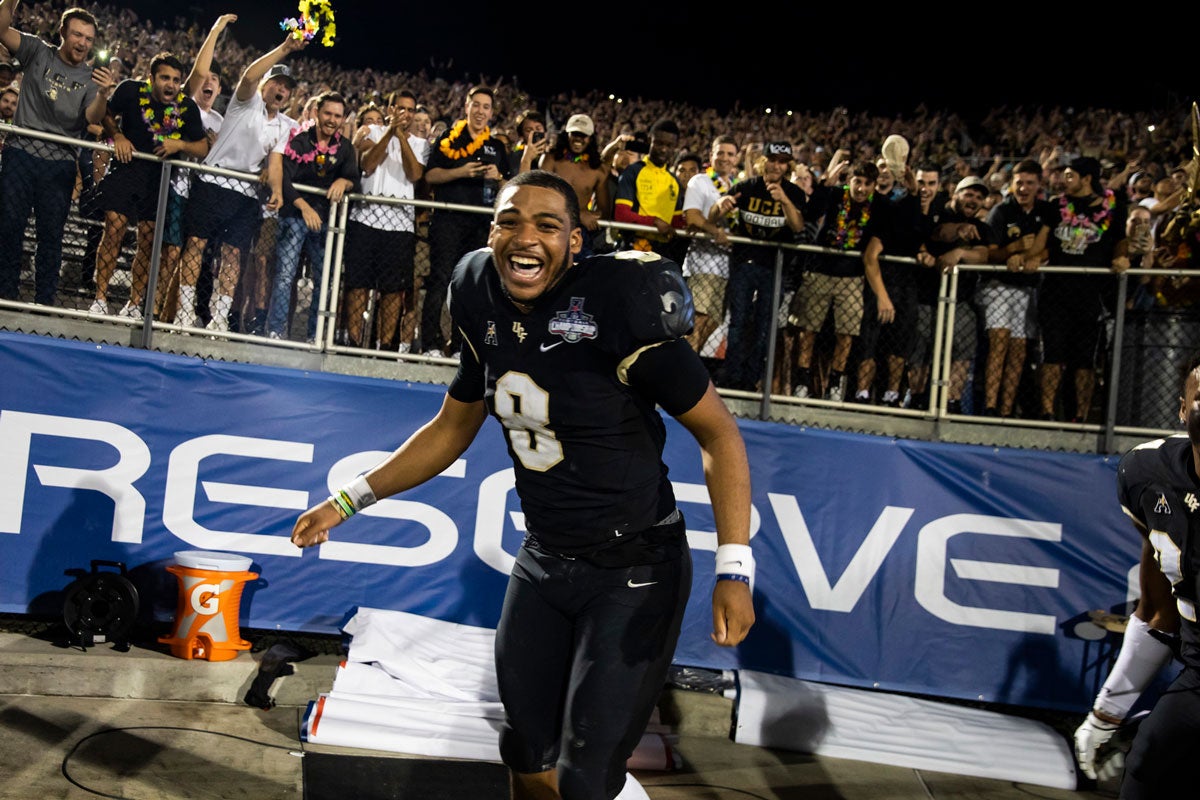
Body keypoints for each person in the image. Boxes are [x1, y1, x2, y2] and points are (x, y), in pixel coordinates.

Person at [289, 169, 755, 800]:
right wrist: (349, 499)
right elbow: (451, 428)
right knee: (527, 755)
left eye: (546, 224)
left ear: (575, 242)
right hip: (543, 560)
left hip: (635, 568)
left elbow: (721, 436)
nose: (524, 236)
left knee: (587, 781)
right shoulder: (479, 293)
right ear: (492, 229)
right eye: (509, 220)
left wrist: (734, 569)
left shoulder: (620, 307)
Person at [1073, 360, 1199, 798]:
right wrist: (1106, 714)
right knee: (1146, 766)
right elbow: (1160, 612)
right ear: (1183, 411)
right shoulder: (1148, 475)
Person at [173, 32, 304, 331]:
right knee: (195, 245)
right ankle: (184, 312)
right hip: (212, 180)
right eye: (276, 83)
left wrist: (276, 190)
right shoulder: (246, 101)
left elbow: (275, 161)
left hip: (244, 194)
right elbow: (247, 76)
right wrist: (284, 48)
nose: (281, 90)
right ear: (264, 85)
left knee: (233, 255)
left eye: (286, 87)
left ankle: (218, 319)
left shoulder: (284, 125)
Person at [0, 3, 114, 305]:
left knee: (51, 237)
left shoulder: (92, 77)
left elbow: (92, 117)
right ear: (62, 32)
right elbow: (1, 30)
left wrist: (103, 94)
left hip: (61, 164)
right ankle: (5, 298)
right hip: (21, 153)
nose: (82, 43)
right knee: (9, 227)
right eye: (77, 35)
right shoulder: (38, 50)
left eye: (89, 39)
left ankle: (44, 305)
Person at [87, 52, 208, 320]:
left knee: (148, 242)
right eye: (165, 78)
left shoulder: (187, 107)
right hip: (125, 169)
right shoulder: (130, 90)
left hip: (160, 180)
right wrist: (116, 134)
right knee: (114, 230)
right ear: (151, 78)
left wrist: (180, 145)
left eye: (176, 80)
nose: (171, 85)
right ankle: (100, 299)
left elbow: (202, 147)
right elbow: (106, 113)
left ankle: (133, 304)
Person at [155, 13, 236, 325]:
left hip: (202, 194)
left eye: (215, 81)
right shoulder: (185, 104)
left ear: (218, 91)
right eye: (206, 79)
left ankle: (172, 315)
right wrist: (216, 30)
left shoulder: (222, 121)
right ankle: (154, 309)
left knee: (191, 258)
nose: (209, 82)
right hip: (176, 186)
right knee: (172, 254)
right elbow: (200, 70)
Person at [421, 84, 512, 357]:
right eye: (476, 105)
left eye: (486, 107)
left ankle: (463, 347)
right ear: (466, 107)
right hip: (448, 220)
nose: (480, 111)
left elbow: (509, 187)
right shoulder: (449, 138)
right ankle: (430, 344)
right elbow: (430, 176)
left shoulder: (496, 146)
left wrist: (498, 178)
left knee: (472, 287)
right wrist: (461, 172)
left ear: (492, 112)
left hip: (480, 225)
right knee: (440, 280)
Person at [1038, 156, 1129, 422]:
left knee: (1085, 361)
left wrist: (1122, 258)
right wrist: (1030, 255)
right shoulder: (1056, 206)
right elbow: (1043, 244)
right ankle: (1046, 413)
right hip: (1055, 292)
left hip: (1092, 293)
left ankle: (1081, 416)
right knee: (1052, 354)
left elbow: (1121, 240)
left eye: (1069, 175)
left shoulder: (1114, 206)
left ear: (1086, 178)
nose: (1063, 180)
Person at [265, 90, 359, 342]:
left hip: (326, 221)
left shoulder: (346, 148)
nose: (332, 119)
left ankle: (314, 335)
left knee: (324, 279)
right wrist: (304, 207)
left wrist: (343, 180)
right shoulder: (299, 140)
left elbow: (354, 178)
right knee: (285, 275)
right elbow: (284, 177)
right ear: (316, 113)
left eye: (338, 116)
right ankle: (275, 331)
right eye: (328, 113)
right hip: (295, 216)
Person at [790, 160, 885, 403]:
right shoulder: (833, 194)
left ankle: (835, 383)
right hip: (819, 271)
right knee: (808, 329)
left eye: (867, 184)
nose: (861, 189)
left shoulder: (880, 207)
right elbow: (810, 214)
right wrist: (825, 184)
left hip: (852, 278)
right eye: (857, 182)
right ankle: (801, 381)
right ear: (849, 181)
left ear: (874, 186)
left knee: (846, 333)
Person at [342, 88, 428, 349]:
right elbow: (367, 165)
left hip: (399, 225)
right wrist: (390, 131)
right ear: (390, 109)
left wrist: (401, 137)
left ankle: (384, 345)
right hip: (366, 218)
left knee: (392, 290)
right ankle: (354, 343)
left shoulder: (421, 144)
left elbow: (414, 175)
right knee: (358, 284)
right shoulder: (372, 132)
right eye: (401, 108)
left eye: (411, 110)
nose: (406, 113)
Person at [720, 140, 806, 393]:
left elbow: (798, 227)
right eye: (773, 160)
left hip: (775, 268)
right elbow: (723, 208)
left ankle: (750, 380)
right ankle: (732, 377)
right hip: (744, 264)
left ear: (787, 166)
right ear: (763, 161)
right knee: (737, 322)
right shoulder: (747, 187)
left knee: (764, 326)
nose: (776, 166)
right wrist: (720, 205)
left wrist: (785, 201)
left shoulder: (794, 193)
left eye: (782, 162)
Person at [980, 159, 1052, 417]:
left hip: (1028, 290)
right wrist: (1012, 250)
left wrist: (1038, 255)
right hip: (999, 287)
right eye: (1019, 182)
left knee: (1018, 352)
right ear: (1011, 184)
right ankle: (990, 406)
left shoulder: (1046, 211)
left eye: (1029, 183)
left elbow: (1051, 248)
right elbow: (989, 254)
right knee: (998, 347)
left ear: (1038, 185)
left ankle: (1006, 410)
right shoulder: (1000, 211)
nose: (1023, 188)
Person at [918, 175, 993, 414]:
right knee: (921, 349)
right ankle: (918, 398)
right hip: (927, 296)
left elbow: (983, 256)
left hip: (962, 300)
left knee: (962, 351)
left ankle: (952, 402)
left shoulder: (982, 227)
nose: (974, 200)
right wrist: (959, 231)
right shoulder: (939, 210)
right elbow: (938, 233)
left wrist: (960, 252)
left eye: (979, 197)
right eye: (969, 194)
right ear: (955, 194)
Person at [680, 135, 738, 357]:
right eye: (720, 153)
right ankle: (682, 379)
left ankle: (686, 369)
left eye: (730, 154)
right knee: (696, 323)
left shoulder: (734, 186)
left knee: (711, 323)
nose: (724, 158)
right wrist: (716, 232)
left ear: (736, 158)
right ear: (711, 155)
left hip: (727, 267)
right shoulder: (700, 181)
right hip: (703, 264)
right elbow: (692, 217)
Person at [539, 113, 609, 261]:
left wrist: (589, 216)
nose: (578, 139)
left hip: (579, 233)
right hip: (549, 225)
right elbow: (540, 198)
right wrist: (578, 214)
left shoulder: (598, 170)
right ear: (566, 135)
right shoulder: (550, 159)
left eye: (583, 135)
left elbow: (605, 212)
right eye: (574, 134)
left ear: (590, 139)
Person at [613, 118, 685, 260]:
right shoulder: (633, 172)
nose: (664, 149)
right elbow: (621, 214)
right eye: (659, 143)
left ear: (675, 147)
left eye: (669, 145)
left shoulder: (674, 182)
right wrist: (654, 221)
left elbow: (676, 222)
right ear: (650, 141)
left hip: (664, 252)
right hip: (633, 247)